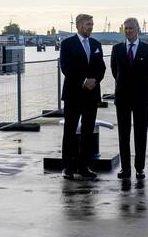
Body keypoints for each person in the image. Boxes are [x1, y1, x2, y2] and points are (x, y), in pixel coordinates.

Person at [59, 13, 106, 180]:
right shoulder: (67, 44)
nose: (91, 27)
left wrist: (94, 80)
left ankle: (84, 166)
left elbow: (101, 67)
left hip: (91, 94)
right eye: (88, 24)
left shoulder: (96, 44)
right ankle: (67, 167)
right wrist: (83, 81)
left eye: (92, 24)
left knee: (87, 131)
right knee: (70, 131)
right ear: (78, 25)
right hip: (73, 94)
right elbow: (66, 67)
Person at [111, 17, 148, 180]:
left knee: (140, 133)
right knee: (123, 134)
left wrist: (141, 84)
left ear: (137, 29)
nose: (128, 31)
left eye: (131, 28)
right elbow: (114, 70)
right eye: (126, 28)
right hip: (122, 97)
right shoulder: (117, 49)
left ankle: (139, 168)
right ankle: (125, 169)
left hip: (141, 97)